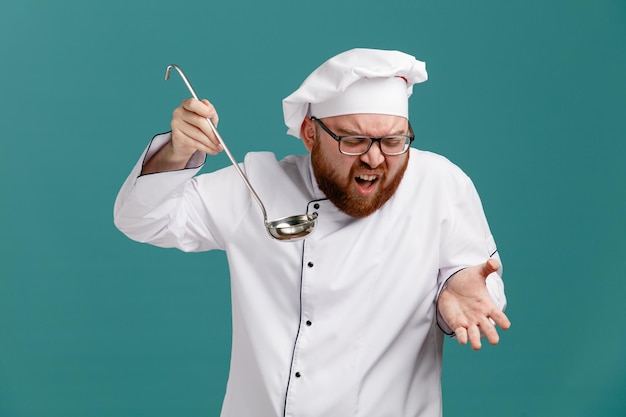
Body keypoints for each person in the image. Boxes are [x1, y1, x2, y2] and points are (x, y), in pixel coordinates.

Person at [114, 48, 510, 417]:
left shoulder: (439, 185)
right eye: (354, 140)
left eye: (393, 141)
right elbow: (143, 219)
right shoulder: (255, 186)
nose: (375, 158)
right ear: (310, 134)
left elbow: (480, 293)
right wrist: (178, 151)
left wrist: (450, 294)